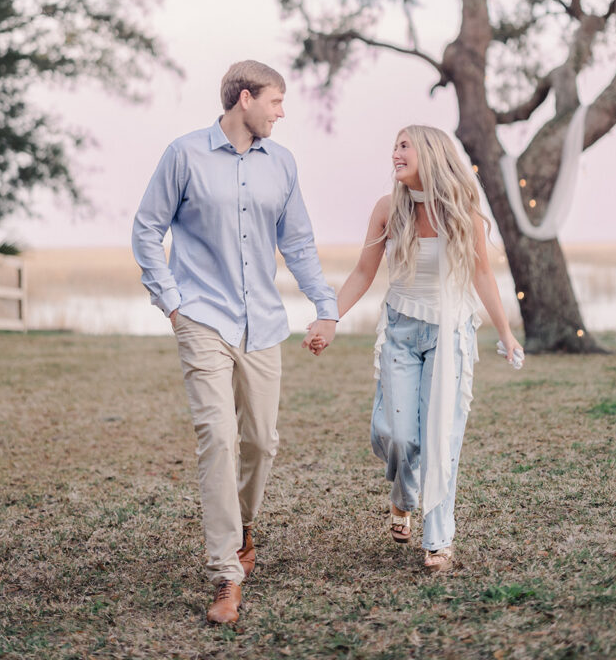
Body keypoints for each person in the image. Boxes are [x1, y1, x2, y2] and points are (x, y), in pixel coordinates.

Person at [132, 60, 338, 624]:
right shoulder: (184, 155)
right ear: (243, 99)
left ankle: (245, 524)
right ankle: (226, 574)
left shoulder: (283, 164)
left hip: (263, 325)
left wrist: (326, 307)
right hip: (201, 317)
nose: (281, 111)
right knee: (217, 438)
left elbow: (297, 243)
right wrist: (171, 302)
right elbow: (147, 228)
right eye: (275, 100)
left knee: (261, 441)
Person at [314, 124, 523, 572]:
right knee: (395, 434)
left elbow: (483, 275)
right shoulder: (388, 209)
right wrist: (328, 318)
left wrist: (505, 333)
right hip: (401, 332)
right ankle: (403, 498)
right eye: (394, 145)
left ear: (430, 153)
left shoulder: (462, 209)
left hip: (450, 333)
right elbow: (362, 273)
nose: (395, 152)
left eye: (404, 145)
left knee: (440, 438)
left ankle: (438, 540)